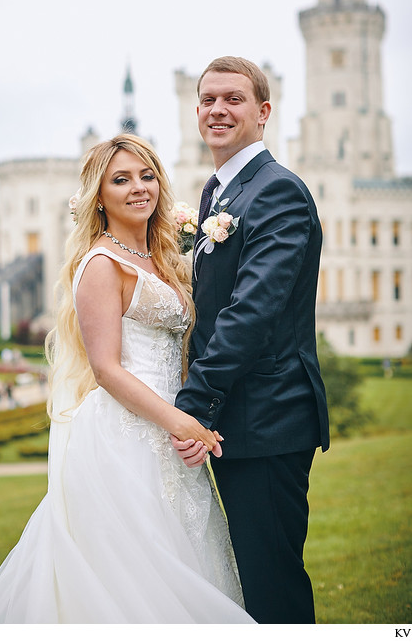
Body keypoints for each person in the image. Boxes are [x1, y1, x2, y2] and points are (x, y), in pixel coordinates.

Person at [0, 134, 255, 624]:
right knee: (135, 586)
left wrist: (190, 421)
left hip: (171, 436)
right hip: (126, 441)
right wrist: (182, 424)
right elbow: (106, 369)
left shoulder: (161, 260)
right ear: (98, 196)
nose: (138, 188)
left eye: (146, 176)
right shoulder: (101, 264)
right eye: (120, 179)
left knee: (185, 570)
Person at [172, 56, 330, 624]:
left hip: (267, 420)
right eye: (208, 99)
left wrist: (189, 404)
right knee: (249, 581)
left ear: (263, 113)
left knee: (273, 586)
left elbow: (251, 313)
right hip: (239, 421)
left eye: (233, 99)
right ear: (196, 111)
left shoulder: (277, 192)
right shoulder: (220, 194)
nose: (218, 109)